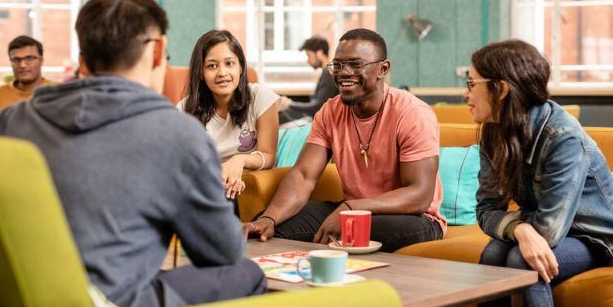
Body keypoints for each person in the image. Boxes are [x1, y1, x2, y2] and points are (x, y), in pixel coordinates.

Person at [0, 0, 265, 307]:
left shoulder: (8, 122)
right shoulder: (179, 135)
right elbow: (221, 252)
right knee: (247, 273)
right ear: (157, 51)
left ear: (83, 62)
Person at [465, 40, 613, 307]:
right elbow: (484, 210)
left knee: (524, 260)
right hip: (552, 231)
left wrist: (519, 227)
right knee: (492, 255)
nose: (465, 94)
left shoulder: (563, 137)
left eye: (471, 84)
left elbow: (548, 230)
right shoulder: (494, 133)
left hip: (602, 240)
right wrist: (520, 228)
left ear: (502, 89)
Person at [245, 28, 446, 253]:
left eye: (356, 64)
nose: (344, 72)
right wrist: (270, 218)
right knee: (264, 226)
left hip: (416, 219)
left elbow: (419, 195)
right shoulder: (331, 111)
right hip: (353, 211)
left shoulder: (412, 113)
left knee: (352, 229)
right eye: (338, 65)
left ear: (383, 68)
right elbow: (303, 175)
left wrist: (351, 208)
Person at [177, 29, 279, 199]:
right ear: (201, 73)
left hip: (248, 185)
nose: (222, 73)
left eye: (229, 63)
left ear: (240, 67)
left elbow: (269, 156)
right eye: (212, 66)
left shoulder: (260, 97)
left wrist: (239, 161)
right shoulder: (185, 109)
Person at [0, 35, 56, 117]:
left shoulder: (59, 92)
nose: (22, 65)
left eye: (29, 58)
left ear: (41, 61)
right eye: (16, 60)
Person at [278, 36, 339, 125]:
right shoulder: (326, 73)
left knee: (279, 121)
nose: (308, 60)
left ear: (319, 53)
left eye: (309, 55)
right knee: (282, 116)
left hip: (322, 124)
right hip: (317, 120)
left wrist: (290, 104)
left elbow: (317, 107)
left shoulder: (328, 74)